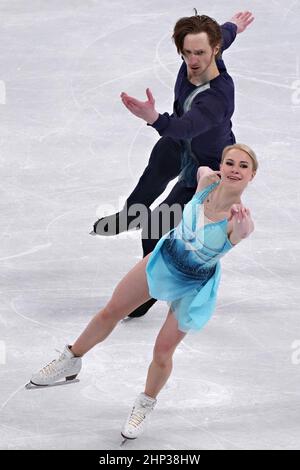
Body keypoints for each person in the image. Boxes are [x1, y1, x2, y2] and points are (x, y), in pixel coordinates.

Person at [30, 143, 258, 442]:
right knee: (111, 311)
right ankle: (72, 357)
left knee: (162, 352)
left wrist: (241, 224)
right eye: (230, 163)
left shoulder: (239, 221)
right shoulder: (206, 183)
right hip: (164, 259)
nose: (234, 170)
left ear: (252, 175)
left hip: (193, 282)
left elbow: (242, 234)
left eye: (243, 166)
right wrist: (209, 169)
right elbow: (202, 168)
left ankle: (144, 404)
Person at [91, 11, 255, 318]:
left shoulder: (219, 96)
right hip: (180, 144)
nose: (193, 60)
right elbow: (223, 34)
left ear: (214, 50)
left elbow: (187, 127)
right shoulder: (205, 45)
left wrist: (153, 118)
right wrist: (235, 26)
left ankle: (147, 290)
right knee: (153, 173)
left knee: (156, 225)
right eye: (187, 52)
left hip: (205, 167)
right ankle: (130, 214)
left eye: (200, 53)